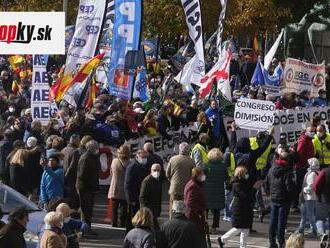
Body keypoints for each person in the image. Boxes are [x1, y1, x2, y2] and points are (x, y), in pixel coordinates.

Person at [265, 145, 295, 248]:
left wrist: (269, 192)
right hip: (284, 200)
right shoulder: (287, 171)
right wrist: (292, 198)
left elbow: (266, 182)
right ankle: (281, 242)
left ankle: (272, 242)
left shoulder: (271, 169)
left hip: (274, 198)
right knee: (281, 223)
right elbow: (289, 187)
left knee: (273, 221)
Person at [217, 166, 255, 248]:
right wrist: (253, 190)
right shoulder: (237, 184)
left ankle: (239, 245)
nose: (247, 174)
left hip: (243, 208)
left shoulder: (241, 182)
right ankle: (223, 239)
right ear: (242, 174)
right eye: (246, 173)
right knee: (240, 228)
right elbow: (245, 195)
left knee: (244, 229)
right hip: (240, 208)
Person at [76, 140, 100, 233]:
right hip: (85, 188)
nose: (97, 149)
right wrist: (91, 183)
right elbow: (82, 175)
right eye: (95, 147)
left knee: (89, 210)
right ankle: (84, 229)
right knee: (85, 209)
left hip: (89, 187)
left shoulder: (93, 157)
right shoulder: (85, 158)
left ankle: (87, 228)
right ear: (90, 148)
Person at [166, 142, 195, 218]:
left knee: (173, 205)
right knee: (184, 206)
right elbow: (193, 175)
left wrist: (171, 180)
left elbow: (167, 173)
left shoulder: (173, 159)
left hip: (174, 187)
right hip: (186, 188)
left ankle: (172, 220)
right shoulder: (191, 161)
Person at [124, 149, 149, 232]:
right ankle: (129, 233)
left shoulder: (143, 165)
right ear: (137, 156)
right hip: (134, 198)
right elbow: (127, 184)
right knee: (132, 218)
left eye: (146, 157)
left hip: (140, 197)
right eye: (143, 157)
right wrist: (130, 200)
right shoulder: (132, 167)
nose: (145, 159)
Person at [292, 126, 315, 211]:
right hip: (302, 167)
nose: (313, 132)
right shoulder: (304, 140)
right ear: (306, 131)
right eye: (311, 131)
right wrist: (305, 164)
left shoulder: (309, 140)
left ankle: (300, 204)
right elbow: (300, 154)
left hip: (306, 166)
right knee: (299, 186)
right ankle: (295, 205)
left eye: (313, 131)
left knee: (303, 185)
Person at [204, 148, 227, 233]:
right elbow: (226, 178)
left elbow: (202, 178)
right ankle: (214, 227)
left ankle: (204, 225)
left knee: (205, 209)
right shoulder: (223, 166)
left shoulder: (206, 166)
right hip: (219, 191)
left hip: (207, 191)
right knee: (216, 211)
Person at [108, 144, 130, 227]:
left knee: (114, 207)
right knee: (124, 207)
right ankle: (122, 222)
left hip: (115, 187)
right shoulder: (130, 163)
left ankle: (114, 222)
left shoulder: (114, 161)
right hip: (125, 189)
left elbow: (111, 173)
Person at [297, 158, 319, 235]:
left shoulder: (313, 174)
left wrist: (303, 190)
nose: (307, 164)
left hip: (310, 197)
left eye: (309, 163)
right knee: (304, 213)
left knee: (310, 214)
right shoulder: (310, 173)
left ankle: (314, 229)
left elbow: (311, 186)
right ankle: (301, 228)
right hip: (307, 197)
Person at [184, 167, 206, 239]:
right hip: (194, 215)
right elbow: (190, 202)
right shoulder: (194, 186)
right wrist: (199, 212)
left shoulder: (195, 184)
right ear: (197, 175)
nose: (203, 176)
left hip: (194, 214)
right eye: (202, 174)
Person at [140, 163, 162, 229]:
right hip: (148, 210)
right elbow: (142, 197)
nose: (156, 172)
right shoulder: (147, 181)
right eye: (154, 170)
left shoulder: (158, 180)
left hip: (154, 209)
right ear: (151, 170)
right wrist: (147, 210)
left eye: (158, 170)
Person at [61, 134, 80, 209]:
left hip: (63, 175)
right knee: (71, 198)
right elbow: (72, 166)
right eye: (78, 140)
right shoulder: (75, 151)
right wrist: (66, 176)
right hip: (71, 178)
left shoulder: (64, 149)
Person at [314, 161, 330, 247]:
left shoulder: (324, 171)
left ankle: (322, 233)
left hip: (323, 199)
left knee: (319, 219)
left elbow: (316, 185)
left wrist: (318, 194)